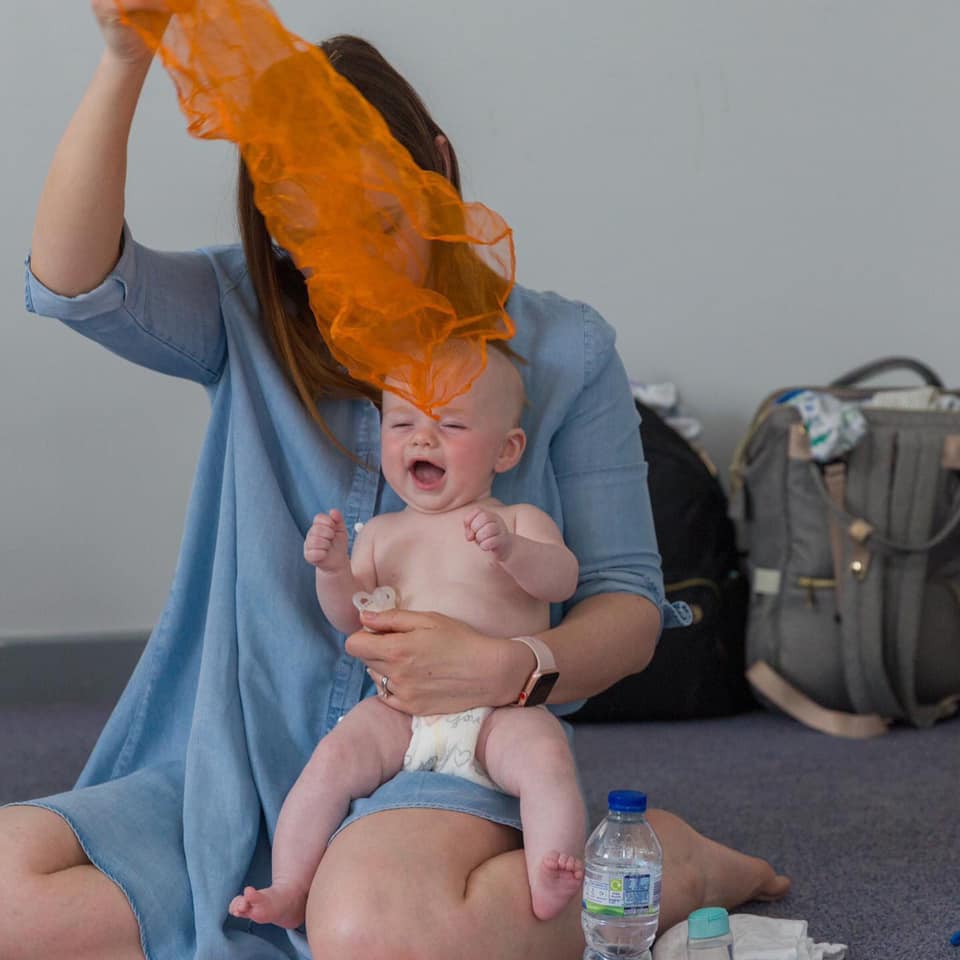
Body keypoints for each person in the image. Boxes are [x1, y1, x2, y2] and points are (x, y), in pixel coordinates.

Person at [0, 3, 790, 959]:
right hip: (237, 759)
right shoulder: (246, 308)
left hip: (446, 763)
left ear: (439, 172)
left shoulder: (565, 350)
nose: (351, 258)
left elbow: (626, 607)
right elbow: (74, 281)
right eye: (311, 230)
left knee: (373, 931)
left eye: (378, 219)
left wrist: (513, 666)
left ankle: (666, 865)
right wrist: (125, 60)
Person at [230, 346, 587, 929]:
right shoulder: (381, 534)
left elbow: (562, 579)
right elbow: (350, 617)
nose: (423, 438)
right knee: (331, 761)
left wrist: (513, 551)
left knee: (545, 759)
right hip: (400, 711)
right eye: (402, 424)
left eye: (451, 425)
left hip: (499, 711)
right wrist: (333, 570)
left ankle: (550, 866)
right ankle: (291, 884)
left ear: (506, 450)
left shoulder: (519, 520)